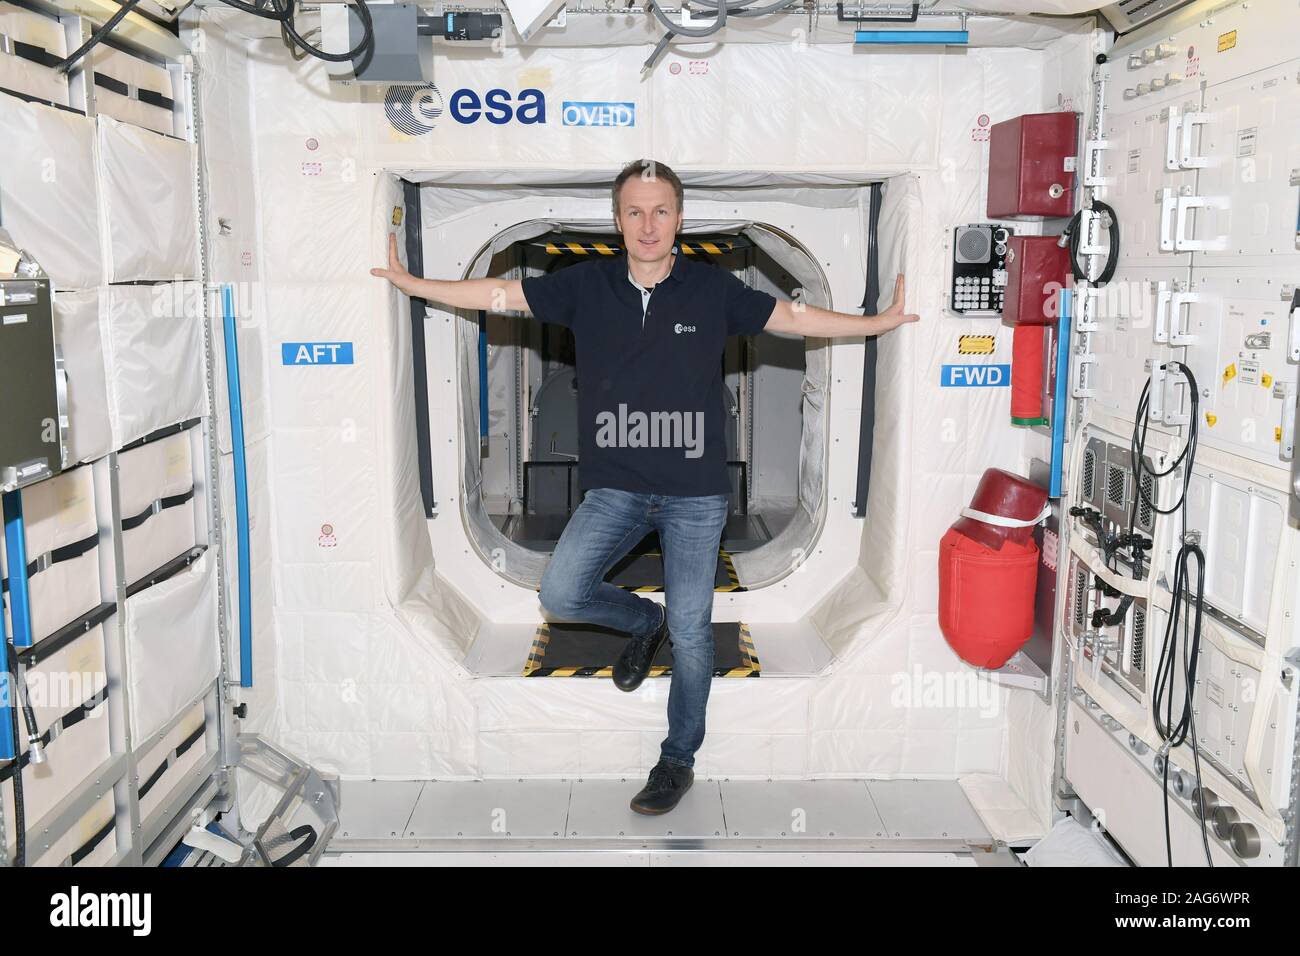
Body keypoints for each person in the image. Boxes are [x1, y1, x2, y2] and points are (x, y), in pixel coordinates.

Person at [371, 159, 919, 814]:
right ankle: (640, 619)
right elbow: (499, 295)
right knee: (560, 590)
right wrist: (407, 281)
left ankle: (677, 758)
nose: (649, 224)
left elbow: (795, 317)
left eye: (661, 211)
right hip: (616, 489)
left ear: (680, 219)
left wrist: (877, 323)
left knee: (693, 631)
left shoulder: (712, 291)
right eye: (635, 211)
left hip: (695, 494)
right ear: (618, 219)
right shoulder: (587, 286)